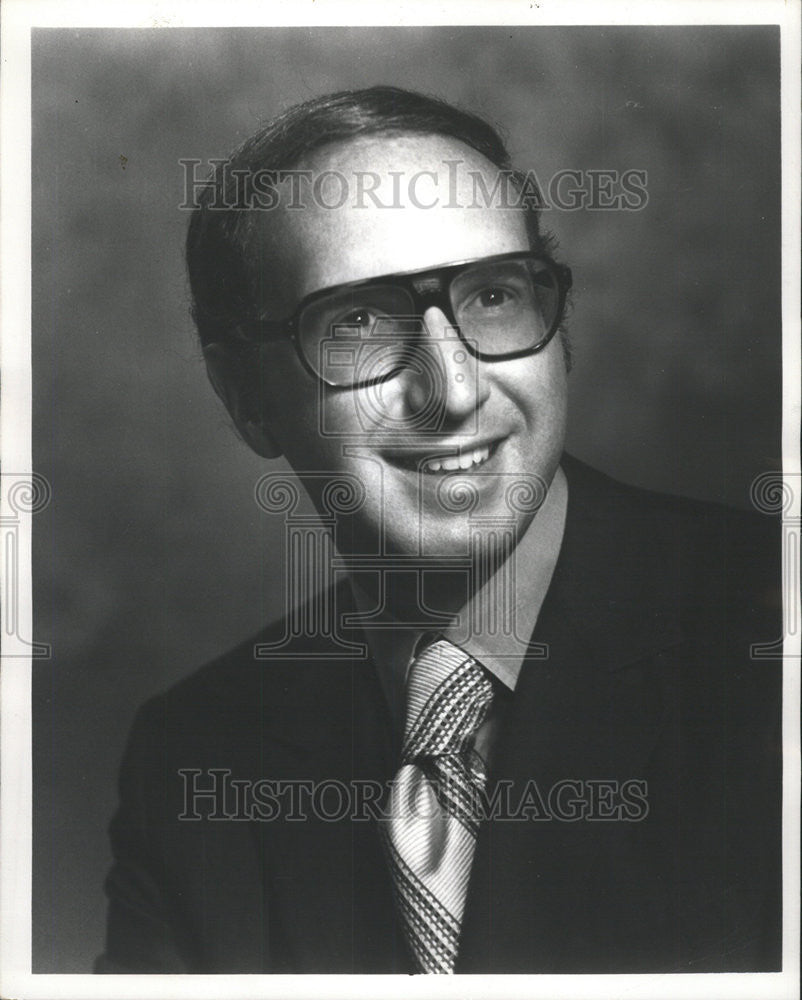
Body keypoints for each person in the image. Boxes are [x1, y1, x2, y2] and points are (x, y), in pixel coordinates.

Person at [96, 86, 782, 974]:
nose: (453, 391)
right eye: (360, 322)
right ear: (243, 400)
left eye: (495, 294)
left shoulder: (772, 644)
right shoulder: (191, 758)